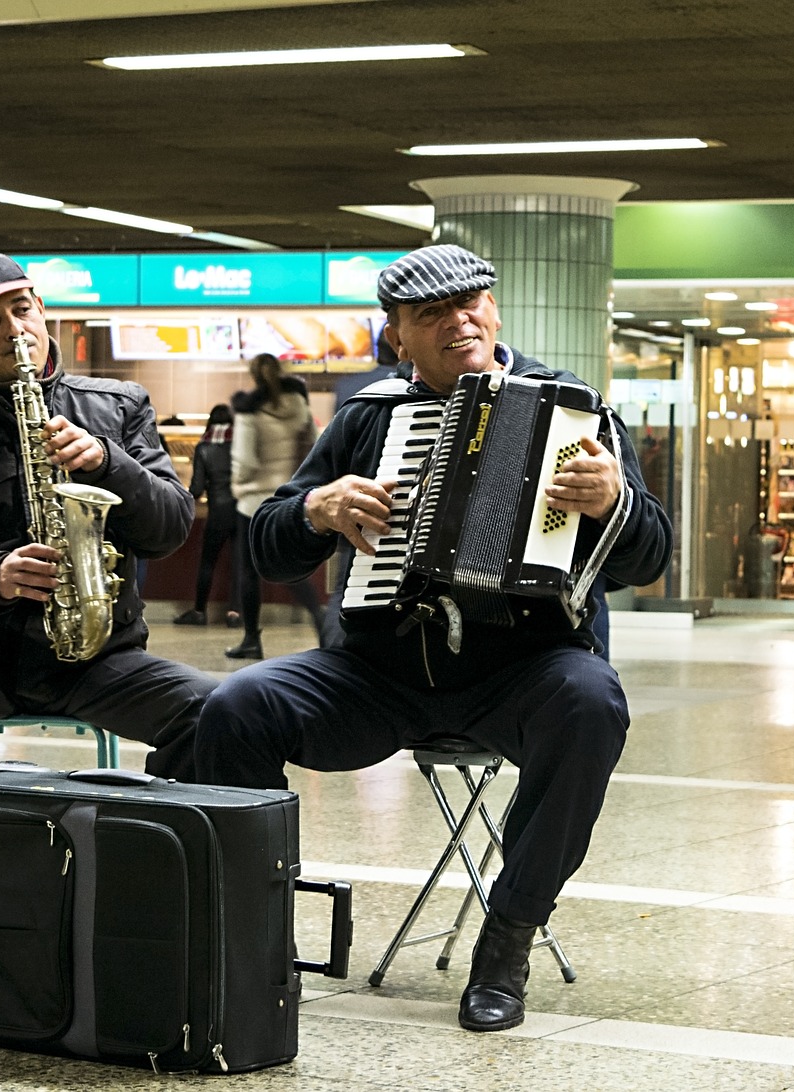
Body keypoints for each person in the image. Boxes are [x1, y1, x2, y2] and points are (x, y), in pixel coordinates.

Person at [194, 244, 673, 1033]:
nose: (458, 323)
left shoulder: (572, 408)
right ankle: (251, 936)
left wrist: (613, 499)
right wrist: (315, 511)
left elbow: (649, 555)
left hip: (521, 669)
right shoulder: (368, 417)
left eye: (471, 303)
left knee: (591, 703)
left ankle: (508, 940)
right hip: (379, 672)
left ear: (494, 308)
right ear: (397, 338)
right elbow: (270, 545)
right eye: (430, 315)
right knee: (237, 705)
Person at [0, 252, 216, 856]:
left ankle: (168, 868)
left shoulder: (121, 407)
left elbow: (171, 527)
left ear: (42, 309)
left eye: (20, 310)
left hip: (103, 660)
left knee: (222, 711)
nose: (13, 331)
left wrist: (109, 462)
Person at [225, 353, 325, 659]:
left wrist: (238, 485)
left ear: (254, 375)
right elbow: (314, 441)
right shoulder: (298, 404)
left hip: (254, 502)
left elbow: (245, 460)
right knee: (290, 567)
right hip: (290, 498)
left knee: (248, 572)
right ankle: (321, 620)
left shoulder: (248, 411)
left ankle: (251, 639)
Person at [173, 404, 240, 627]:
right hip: (242, 512)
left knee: (208, 562)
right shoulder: (241, 444)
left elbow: (197, 488)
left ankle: (200, 612)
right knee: (240, 562)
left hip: (218, 512)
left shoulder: (204, 445)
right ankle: (234, 613)